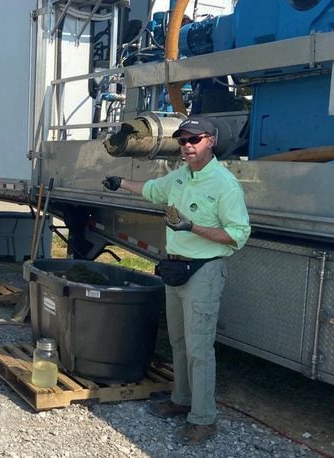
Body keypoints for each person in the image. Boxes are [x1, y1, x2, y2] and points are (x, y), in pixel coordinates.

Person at [103, 116, 250, 444]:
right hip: (176, 269)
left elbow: (238, 234)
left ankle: (203, 419)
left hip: (205, 271)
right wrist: (121, 183)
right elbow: (153, 190)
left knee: (199, 348)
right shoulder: (181, 177)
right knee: (179, 343)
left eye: (194, 140)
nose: (187, 146)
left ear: (210, 141)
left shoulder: (224, 184)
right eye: (183, 140)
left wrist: (191, 227)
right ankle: (181, 400)